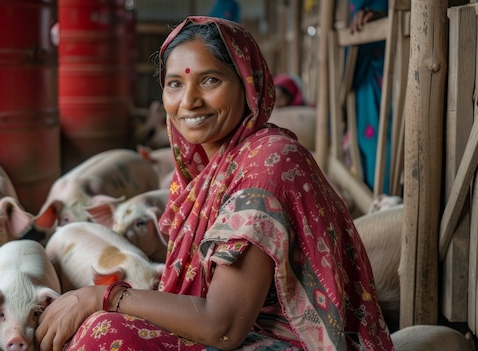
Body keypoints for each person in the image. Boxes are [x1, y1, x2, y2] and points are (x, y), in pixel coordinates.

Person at [35, 16, 394, 351]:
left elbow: (222, 325)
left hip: (286, 339)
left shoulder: (267, 164)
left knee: (107, 333)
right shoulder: (211, 165)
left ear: (248, 85)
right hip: (245, 328)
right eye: (175, 84)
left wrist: (102, 296)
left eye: (210, 80)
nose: (188, 101)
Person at [348, 0, 390, 192]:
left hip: (388, 67)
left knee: (387, 142)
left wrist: (383, 17)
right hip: (363, 75)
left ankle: (385, 200)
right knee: (367, 141)